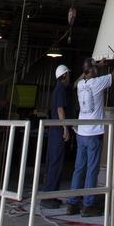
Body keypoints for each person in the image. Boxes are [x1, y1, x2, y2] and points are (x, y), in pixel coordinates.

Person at [66, 53, 114, 217]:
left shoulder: (81, 84)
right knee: (91, 169)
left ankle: (73, 203)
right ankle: (88, 205)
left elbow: (76, 81)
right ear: (94, 70)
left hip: (81, 133)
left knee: (79, 168)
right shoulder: (97, 83)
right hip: (93, 134)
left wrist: (95, 67)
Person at [41, 64, 72, 208]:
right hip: (57, 132)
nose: (69, 77)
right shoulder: (60, 89)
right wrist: (65, 127)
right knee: (55, 163)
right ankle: (47, 197)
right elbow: (60, 109)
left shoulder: (60, 89)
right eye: (69, 75)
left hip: (54, 131)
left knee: (55, 163)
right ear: (64, 75)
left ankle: (52, 195)